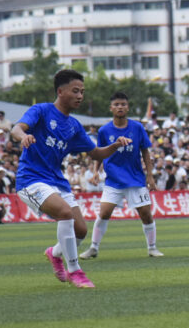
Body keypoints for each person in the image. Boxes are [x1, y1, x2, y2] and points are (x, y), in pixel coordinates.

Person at [12, 69, 133, 289]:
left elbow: (96, 154)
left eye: (82, 92)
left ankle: (55, 253)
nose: (80, 96)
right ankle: (75, 271)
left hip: (56, 180)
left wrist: (115, 146)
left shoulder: (74, 126)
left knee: (81, 230)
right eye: (75, 91)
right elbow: (16, 128)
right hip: (30, 179)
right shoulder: (41, 110)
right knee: (65, 213)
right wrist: (24, 136)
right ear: (60, 91)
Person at [80, 92, 163, 260]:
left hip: (135, 179)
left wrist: (150, 176)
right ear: (111, 108)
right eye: (116, 104)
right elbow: (100, 153)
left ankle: (152, 248)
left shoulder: (137, 127)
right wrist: (96, 171)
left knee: (146, 214)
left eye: (123, 104)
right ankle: (93, 248)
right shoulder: (104, 131)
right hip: (113, 180)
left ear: (128, 107)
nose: (120, 107)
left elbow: (145, 152)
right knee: (104, 213)